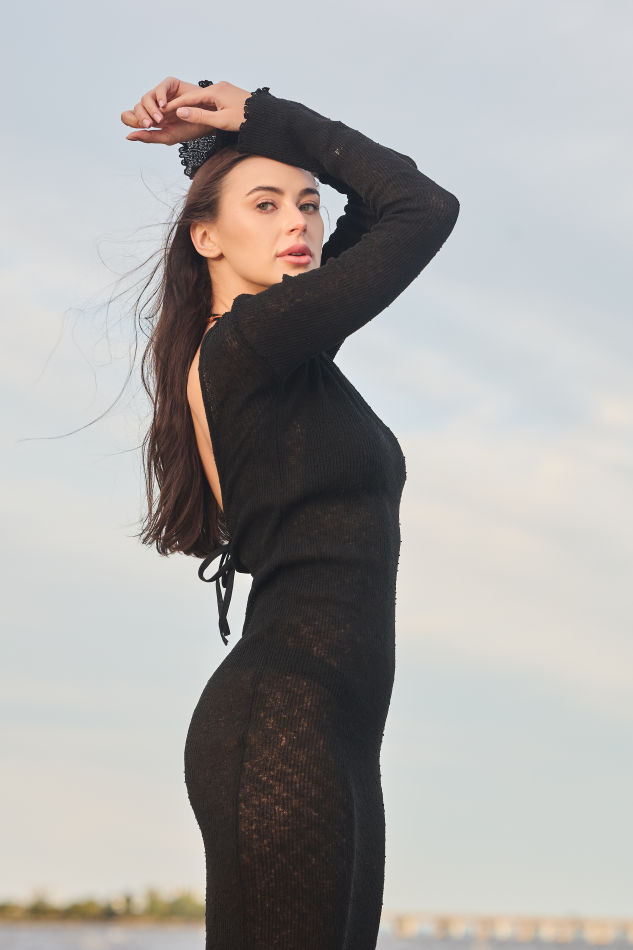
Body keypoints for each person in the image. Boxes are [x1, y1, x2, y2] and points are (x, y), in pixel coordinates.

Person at [121, 77, 459, 950]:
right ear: (205, 236)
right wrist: (259, 115)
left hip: (332, 731)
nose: (298, 223)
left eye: (309, 203)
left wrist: (252, 128)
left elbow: (387, 208)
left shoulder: (284, 353)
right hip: (283, 721)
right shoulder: (247, 343)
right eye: (265, 205)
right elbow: (421, 207)